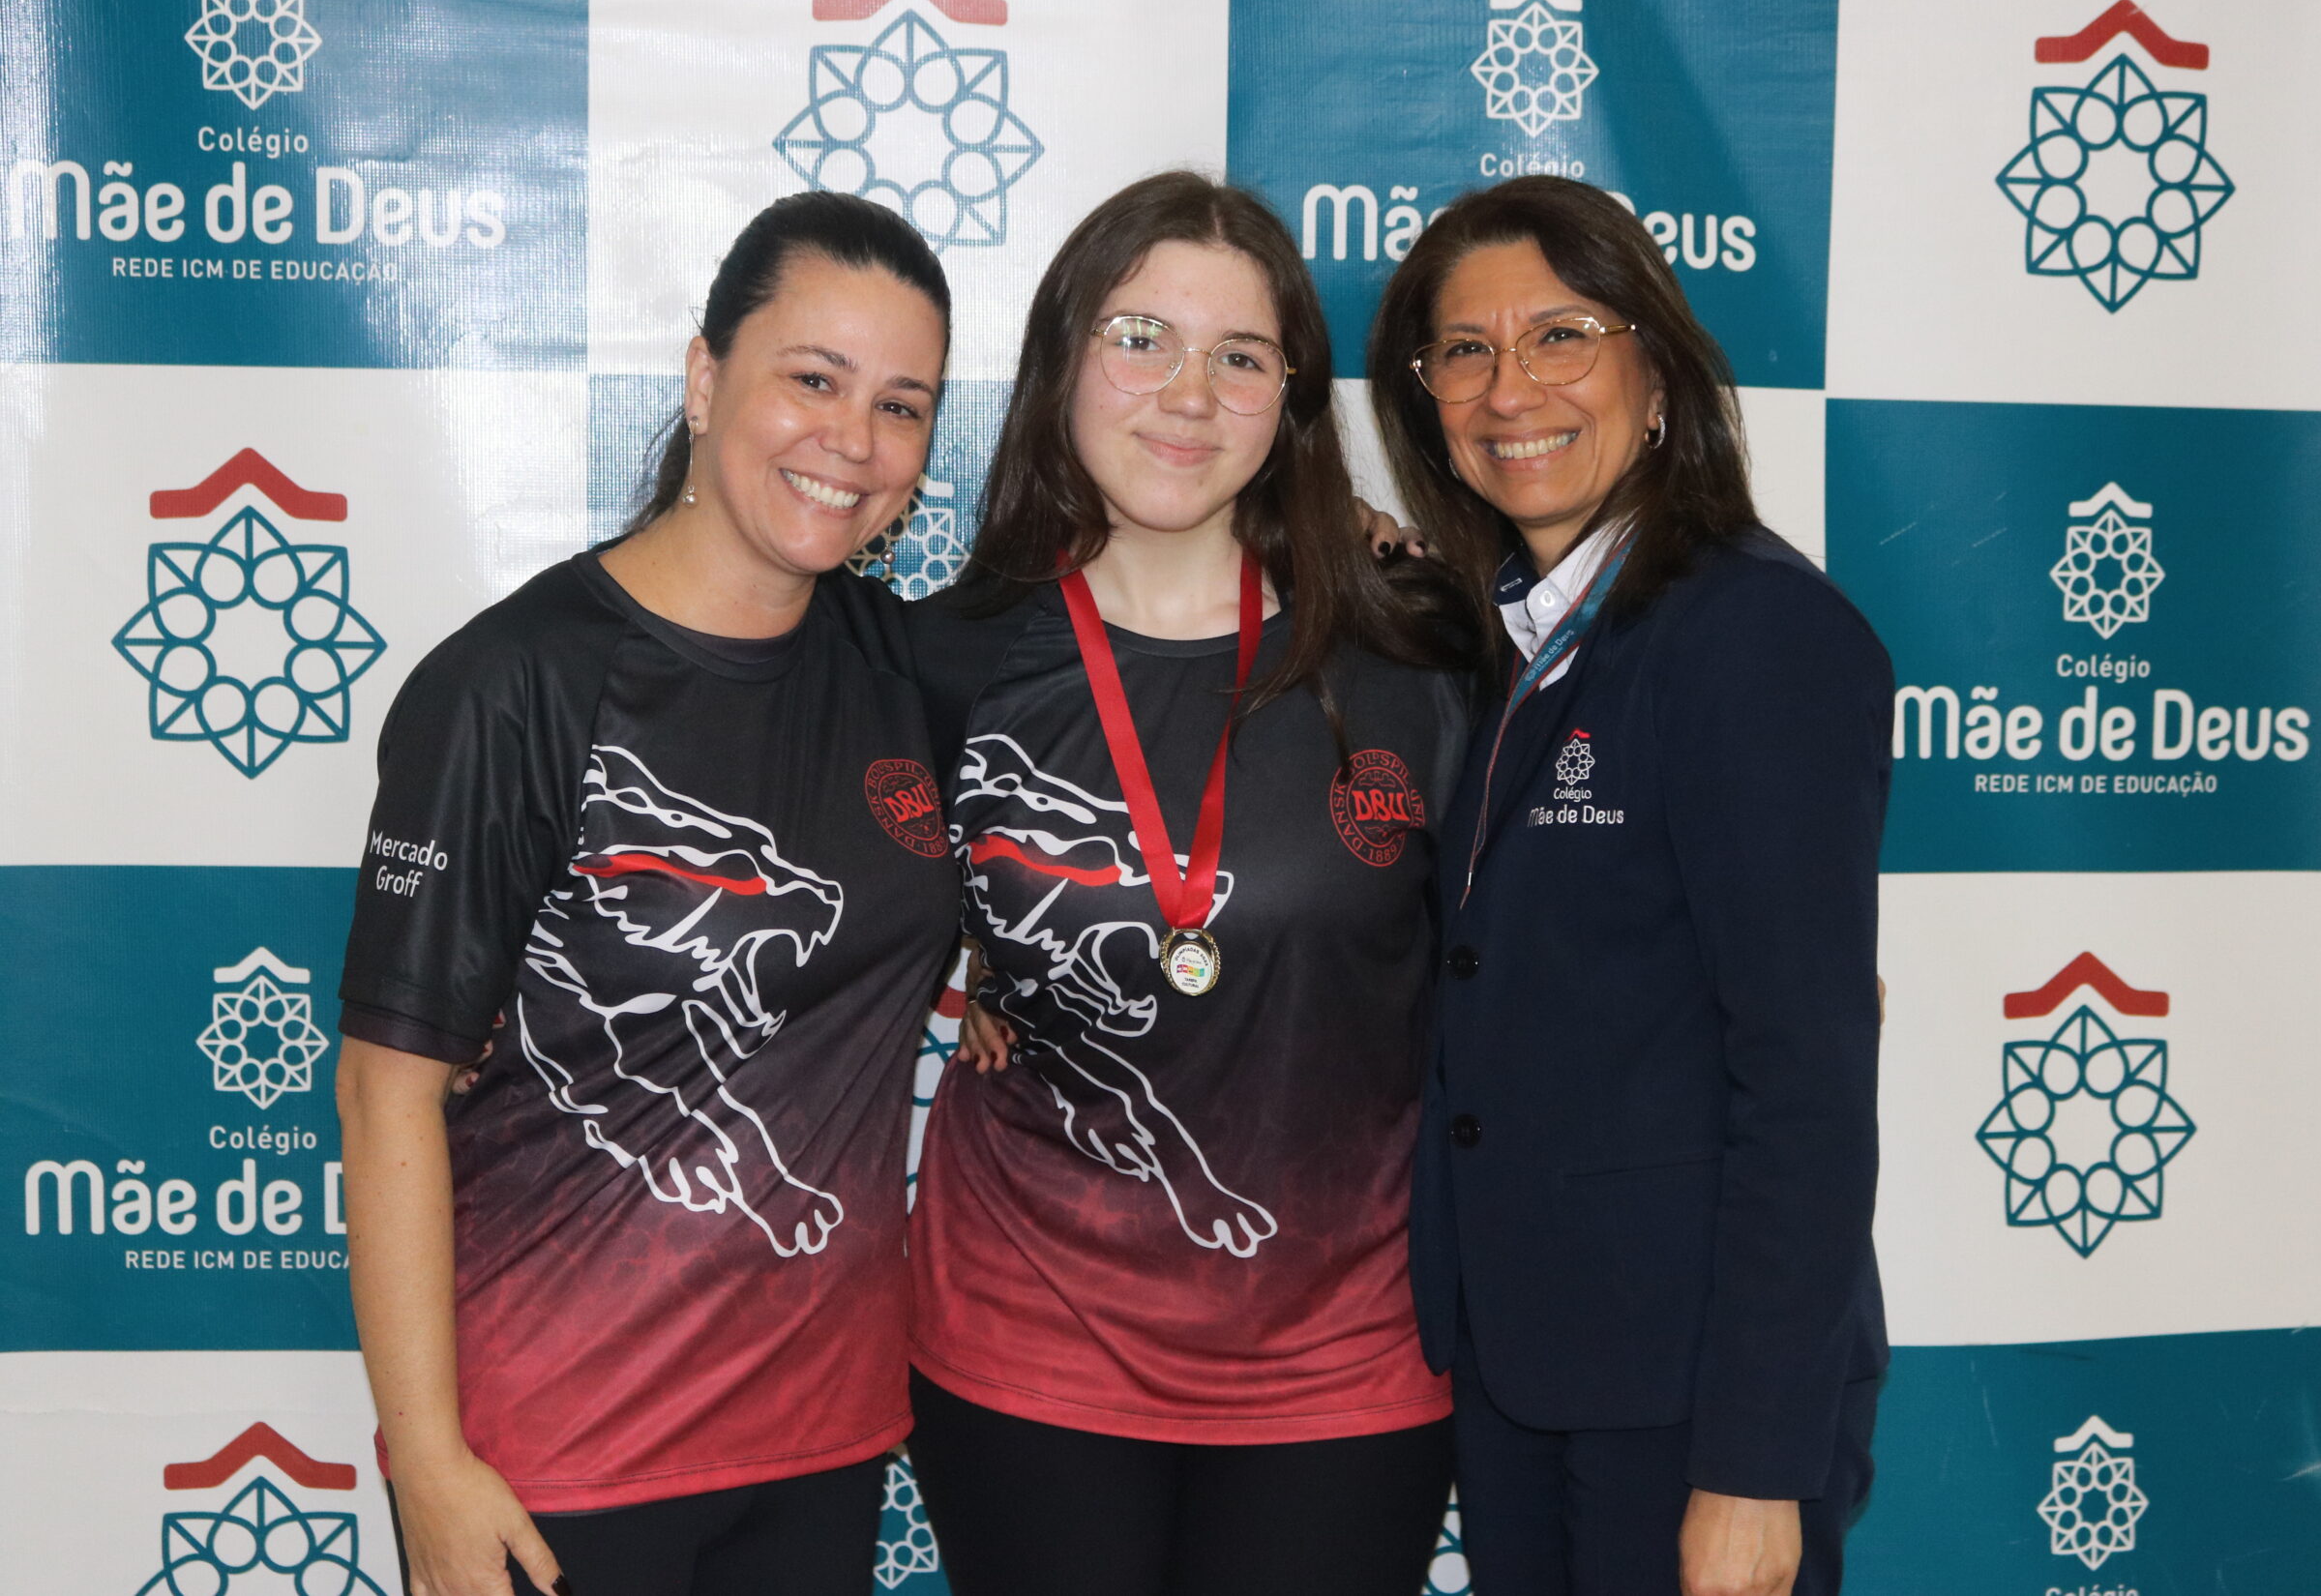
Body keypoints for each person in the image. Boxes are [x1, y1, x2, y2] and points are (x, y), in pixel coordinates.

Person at [334, 192, 962, 1596]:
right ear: (703, 377)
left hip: (819, 1444)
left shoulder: (907, 668)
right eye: (813, 379)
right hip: (558, 1459)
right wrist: (427, 1463)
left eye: (901, 406)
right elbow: (384, 1094)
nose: (853, 441)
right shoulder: (512, 686)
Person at [897, 171, 1473, 1596]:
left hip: (1346, 1358)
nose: (1189, 396)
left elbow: (1545, 938)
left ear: (1293, 400)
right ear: (1063, 358)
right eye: (1140, 337)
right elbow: (779, 889)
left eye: (1241, 357)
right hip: (1028, 1346)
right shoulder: (938, 663)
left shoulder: (1420, 652)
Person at [1366, 174, 1891, 1596]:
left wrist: (1756, 1467)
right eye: (1463, 350)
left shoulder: (1755, 634)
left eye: (1562, 335)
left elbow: (1806, 1076)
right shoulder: (1516, 638)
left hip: (1691, 1395)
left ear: (1656, 371)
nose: (1509, 388)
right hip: (1529, 1362)